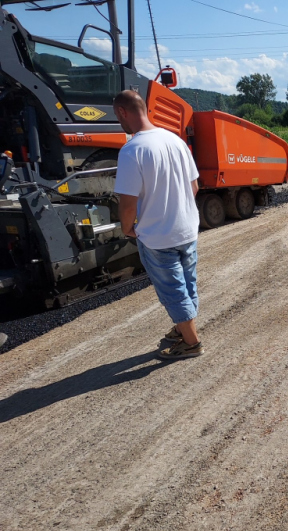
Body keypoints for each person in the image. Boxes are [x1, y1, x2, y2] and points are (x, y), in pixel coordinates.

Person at [113, 90, 204, 359]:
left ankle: (191, 343)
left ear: (122, 113)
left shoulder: (132, 150)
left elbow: (128, 203)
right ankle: (182, 327)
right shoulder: (175, 141)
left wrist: (128, 227)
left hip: (157, 237)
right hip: (187, 229)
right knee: (187, 284)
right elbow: (194, 186)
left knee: (173, 290)